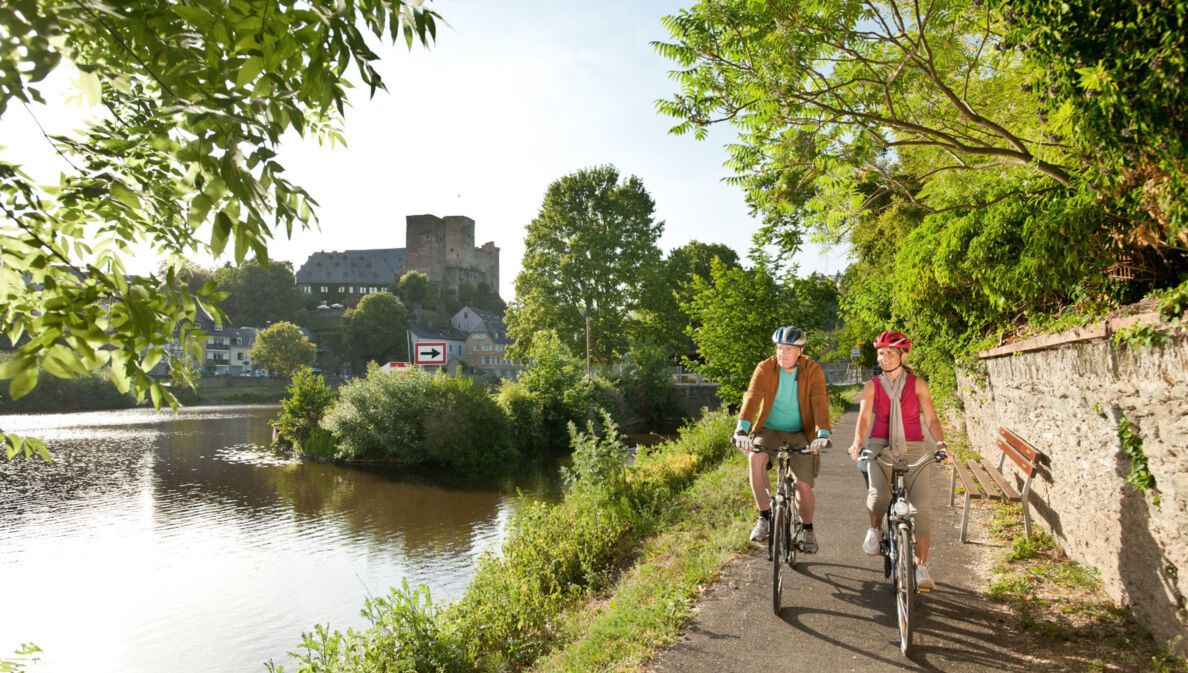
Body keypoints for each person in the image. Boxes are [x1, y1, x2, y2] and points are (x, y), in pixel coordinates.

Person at [846, 330, 952, 590]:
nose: (884, 358)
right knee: (878, 497)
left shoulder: (917, 384)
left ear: (903, 355)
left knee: (922, 510)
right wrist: (858, 443)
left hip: (913, 445)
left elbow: (931, 418)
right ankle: (875, 529)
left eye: (890, 353)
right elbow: (864, 418)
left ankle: (920, 566)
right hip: (879, 445)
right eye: (881, 353)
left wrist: (940, 444)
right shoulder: (872, 386)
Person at [731, 326, 833, 551]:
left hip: (801, 431)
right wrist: (741, 429)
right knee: (755, 458)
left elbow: (819, 401)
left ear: (800, 351)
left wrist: (822, 433)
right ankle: (764, 517)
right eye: (779, 348)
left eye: (788, 349)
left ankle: (807, 530)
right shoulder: (765, 368)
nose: (782, 353)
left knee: (802, 485)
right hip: (769, 430)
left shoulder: (812, 369)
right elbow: (752, 396)